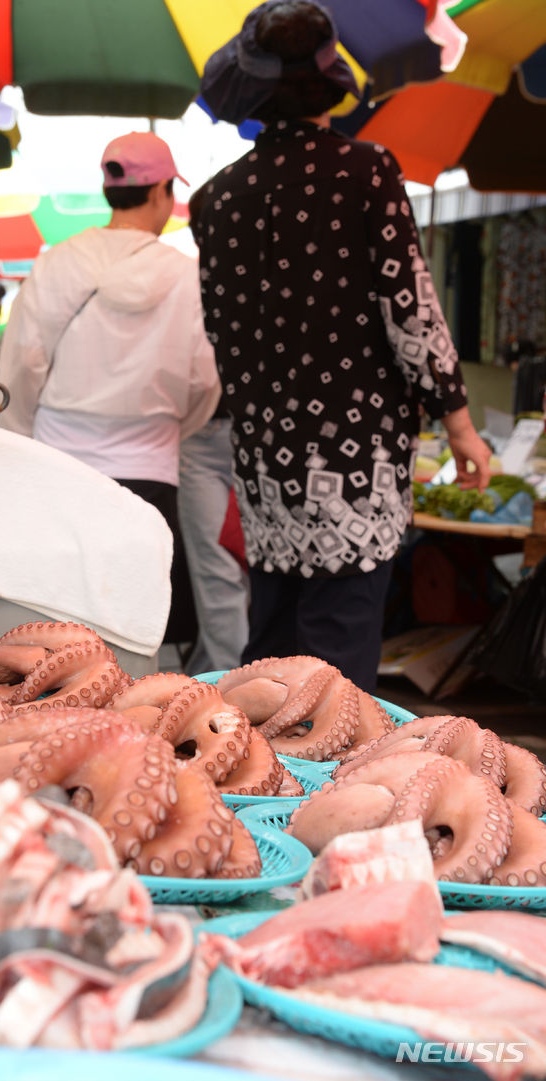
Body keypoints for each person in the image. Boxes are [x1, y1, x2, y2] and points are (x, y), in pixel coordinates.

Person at [195, 0, 491, 692]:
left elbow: (220, 331)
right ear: (328, 89)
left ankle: (256, 784)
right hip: (354, 459)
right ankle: (329, 791)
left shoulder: (217, 200)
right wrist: (461, 423)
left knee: (272, 645)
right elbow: (410, 311)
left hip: (268, 463)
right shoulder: (366, 172)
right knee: (338, 661)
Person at [0, 131, 221, 649]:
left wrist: (33, 439)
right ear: (163, 191)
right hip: (152, 468)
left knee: (56, 618)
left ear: (109, 190)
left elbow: (21, 365)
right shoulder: (188, 276)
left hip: (59, 463)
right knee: (141, 621)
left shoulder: (57, 261)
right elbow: (204, 380)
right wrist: (166, 431)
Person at [177, 183, 249, 675]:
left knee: (226, 575)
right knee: (225, 576)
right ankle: (226, 687)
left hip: (231, 436)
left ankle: (220, 681)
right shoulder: (185, 279)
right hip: (219, 435)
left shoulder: (193, 279)